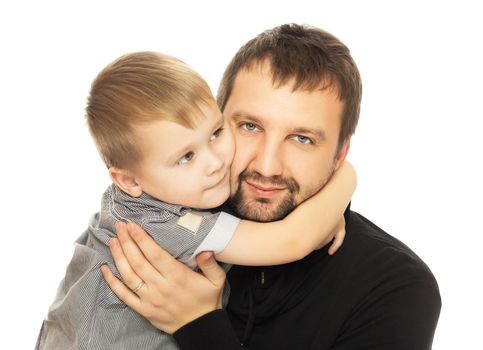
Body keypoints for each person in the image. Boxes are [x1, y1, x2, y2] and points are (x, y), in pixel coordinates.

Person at [102, 24, 442, 349]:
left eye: (302, 138)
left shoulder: (396, 287)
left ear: (340, 155)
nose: (267, 166)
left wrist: (198, 324)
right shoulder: (167, 209)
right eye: (249, 127)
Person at [37, 51, 356, 349]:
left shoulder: (129, 199)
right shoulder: (170, 225)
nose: (214, 162)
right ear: (129, 180)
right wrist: (345, 179)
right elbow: (293, 241)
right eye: (186, 156)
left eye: (216, 133)